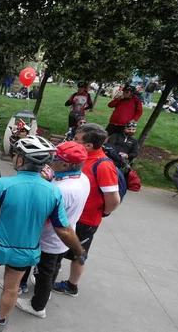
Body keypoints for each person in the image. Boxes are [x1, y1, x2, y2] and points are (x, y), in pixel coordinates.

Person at [0, 135, 85, 332]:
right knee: (12, 287)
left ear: (22, 160)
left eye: (17, 155)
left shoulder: (3, 185)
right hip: (27, 250)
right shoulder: (53, 192)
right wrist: (79, 251)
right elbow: (64, 230)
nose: (15, 158)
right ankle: (0, 320)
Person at [12, 141, 91, 319]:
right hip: (62, 240)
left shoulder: (59, 190)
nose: (51, 161)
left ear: (66, 165)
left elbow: (42, 216)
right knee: (54, 266)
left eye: (56, 158)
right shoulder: (81, 179)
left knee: (44, 274)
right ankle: (34, 289)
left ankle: (37, 306)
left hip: (49, 239)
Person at [53, 123, 121, 297]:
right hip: (71, 215)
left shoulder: (103, 166)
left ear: (89, 145)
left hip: (85, 220)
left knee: (77, 253)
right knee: (60, 250)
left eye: (77, 139)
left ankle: (71, 285)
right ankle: (50, 275)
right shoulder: (82, 158)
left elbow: (113, 199)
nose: (73, 141)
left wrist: (103, 212)